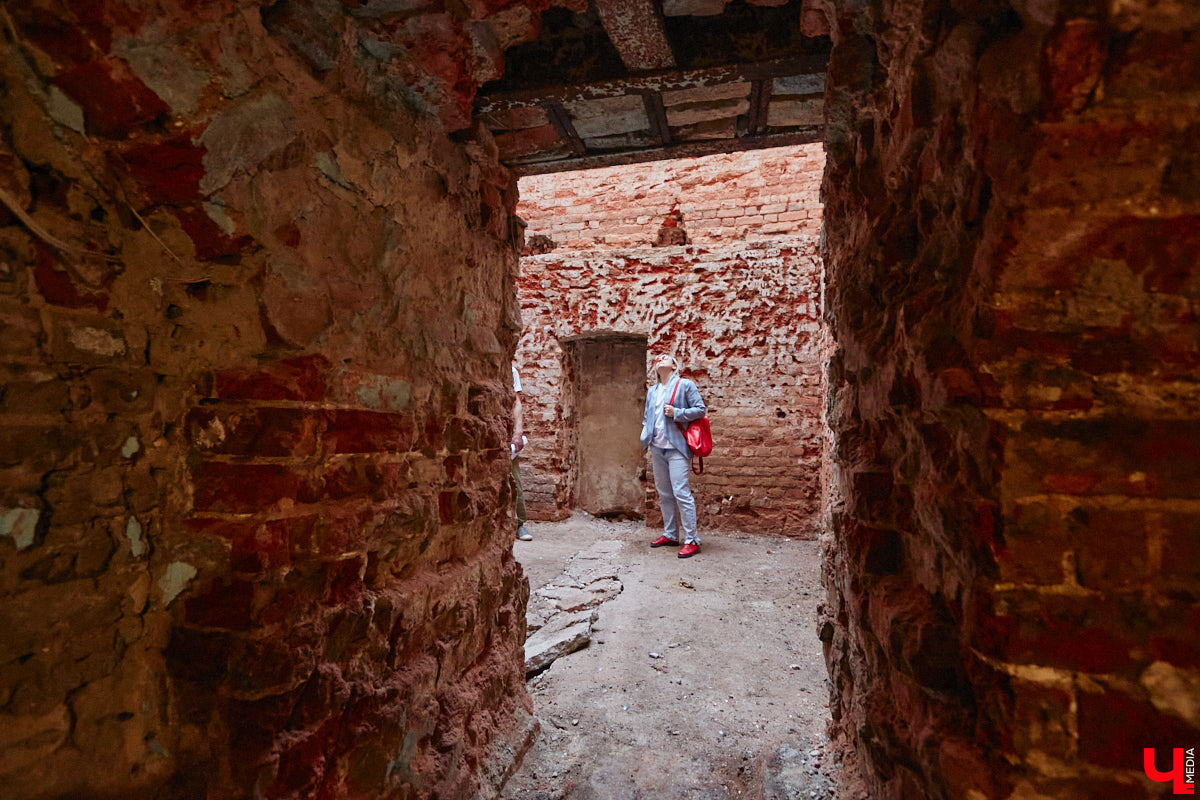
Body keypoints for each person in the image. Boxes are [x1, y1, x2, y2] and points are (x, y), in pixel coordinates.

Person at [639, 353, 706, 558]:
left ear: (674, 365)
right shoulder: (653, 391)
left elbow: (700, 410)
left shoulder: (685, 385)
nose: (660, 360)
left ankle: (692, 539)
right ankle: (670, 533)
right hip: (657, 448)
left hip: (677, 448)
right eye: (657, 359)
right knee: (664, 492)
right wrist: (645, 435)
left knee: (681, 492)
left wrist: (677, 413)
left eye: (665, 357)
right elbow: (647, 417)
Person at [512, 363, 532, 541]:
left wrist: (518, 432)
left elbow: (516, 402)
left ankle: (520, 523)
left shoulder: (511, 371)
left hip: (507, 431)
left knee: (514, 479)